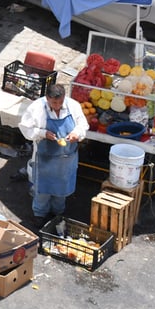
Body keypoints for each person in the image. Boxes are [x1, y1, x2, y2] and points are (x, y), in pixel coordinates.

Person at [17, 83, 89, 229]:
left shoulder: (73, 106)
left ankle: (58, 214)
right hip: (45, 158)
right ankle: (39, 214)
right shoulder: (36, 108)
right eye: (54, 102)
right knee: (42, 189)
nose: (57, 106)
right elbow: (25, 128)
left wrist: (77, 133)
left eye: (60, 102)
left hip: (66, 159)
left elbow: (83, 124)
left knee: (62, 187)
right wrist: (42, 133)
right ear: (47, 98)